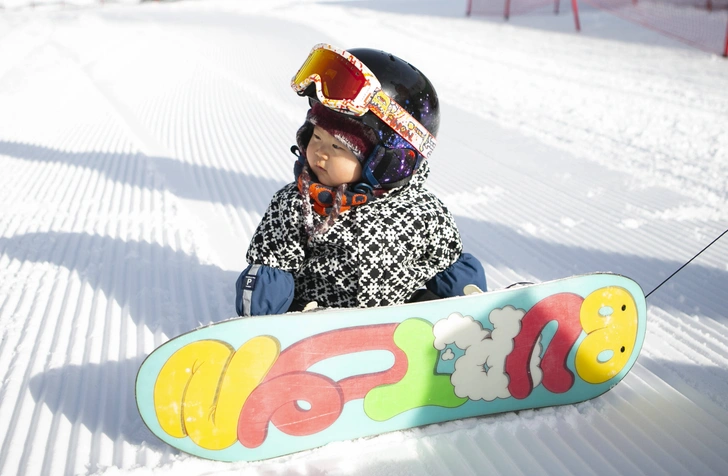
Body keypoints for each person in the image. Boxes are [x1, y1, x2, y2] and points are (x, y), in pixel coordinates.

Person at [235, 43, 486, 316]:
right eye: (316, 137)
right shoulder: (295, 204)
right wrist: (261, 310)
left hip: (401, 315)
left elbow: (444, 262)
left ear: (385, 162)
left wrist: (470, 303)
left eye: (338, 148)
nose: (319, 152)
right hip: (322, 314)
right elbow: (274, 263)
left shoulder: (423, 209)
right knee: (298, 308)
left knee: (432, 302)